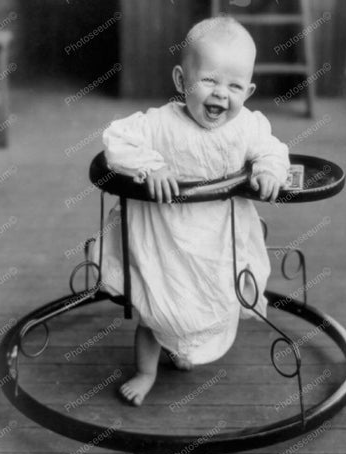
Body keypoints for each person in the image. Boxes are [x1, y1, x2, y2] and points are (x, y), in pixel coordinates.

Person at [91, 16, 290, 406]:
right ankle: (146, 371)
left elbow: (272, 149)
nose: (221, 94)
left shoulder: (247, 126)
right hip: (165, 240)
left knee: (208, 299)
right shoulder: (160, 124)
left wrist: (268, 169)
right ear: (182, 81)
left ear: (248, 91)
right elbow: (116, 139)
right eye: (209, 81)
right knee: (156, 309)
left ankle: (184, 348)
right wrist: (152, 165)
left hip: (217, 240)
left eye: (234, 86)